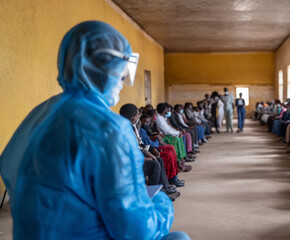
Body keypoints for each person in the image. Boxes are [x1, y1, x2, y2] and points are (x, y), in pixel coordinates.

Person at [0, 21, 189, 239]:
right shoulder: (110, 128)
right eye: (120, 68)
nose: (124, 78)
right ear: (97, 66)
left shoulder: (38, 114)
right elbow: (137, 230)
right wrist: (161, 203)